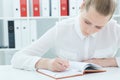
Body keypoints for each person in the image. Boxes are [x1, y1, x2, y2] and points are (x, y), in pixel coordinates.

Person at [11, 0, 120, 72]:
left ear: (109, 20)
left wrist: (111, 61)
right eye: (87, 22)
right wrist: (47, 63)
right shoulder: (61, 29)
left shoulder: (114, 29)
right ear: (82, 7)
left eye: (99, 27)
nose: (90, 30)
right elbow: (17, 58)